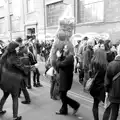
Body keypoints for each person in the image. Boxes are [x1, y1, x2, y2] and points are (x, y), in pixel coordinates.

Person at [0, 41, 29, 120]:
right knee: (15, 97)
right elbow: (22, 67)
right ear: (13, 49)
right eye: (17, 48)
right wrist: (30, 68)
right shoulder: (14, 57)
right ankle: (15, 117)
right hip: (13, 81)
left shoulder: (4, 55)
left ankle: (0, 109)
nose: (18, 49)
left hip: (3, 80)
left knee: (5, 95)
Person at [55, 45, 80, 115]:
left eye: (66, 48)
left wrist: (58, 57)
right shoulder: (65, 57)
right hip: (63, 79)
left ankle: (75, 105)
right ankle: (64, 110)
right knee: (63, 95)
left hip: (65, 80)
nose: (64, 49)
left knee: (62, 96)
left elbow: (60, 65)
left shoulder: (70, 57)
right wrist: (59, 58)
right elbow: (57, 67)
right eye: (64, 48)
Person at [103, 44, 120, 120]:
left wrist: (106, 91)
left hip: (113, 92)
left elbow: (107, 80)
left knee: (114, 113)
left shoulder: (111, 64)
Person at [90, 49, 107, 120]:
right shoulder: (105, 65)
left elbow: (90, 74)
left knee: (95, 104)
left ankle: (96, 119)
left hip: (94, 86)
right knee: (107, 105)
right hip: (102, 87)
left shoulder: (93, 63)